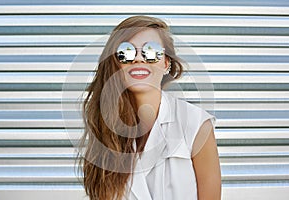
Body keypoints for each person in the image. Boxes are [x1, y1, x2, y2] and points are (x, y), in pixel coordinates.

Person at [79, 15, 221, 200]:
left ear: (166, 63)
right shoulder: (105, 126)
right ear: (116, 64)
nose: (138, 58)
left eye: (151, 51)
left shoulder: (196, 124)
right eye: (126, 52)